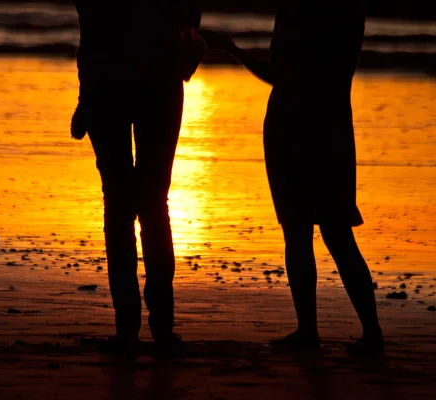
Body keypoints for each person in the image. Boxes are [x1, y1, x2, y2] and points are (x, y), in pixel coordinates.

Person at [200, 0, 383, 355]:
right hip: (328, 127)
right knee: (332, 233)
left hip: (298, 127)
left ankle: (315, 332)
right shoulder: (345, 9)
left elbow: (282, 75)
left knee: (308, 233)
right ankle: (358, 332)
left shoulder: (305, 9)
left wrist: (232, 49)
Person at [71, 1, 205, 356]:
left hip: (110, 85)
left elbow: (92, 28)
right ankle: (158, 328)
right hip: (156, 82)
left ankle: (129, 329)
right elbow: (190, 14)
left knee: (120, 206)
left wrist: (86, 97)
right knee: (151, 205)